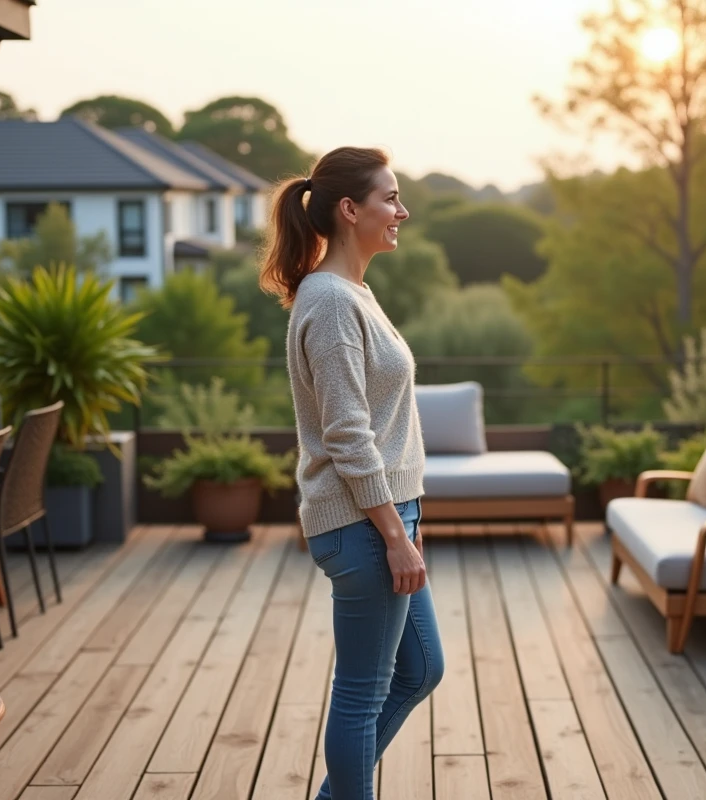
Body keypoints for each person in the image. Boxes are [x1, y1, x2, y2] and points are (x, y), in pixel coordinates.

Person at [261, 146, 444, 800]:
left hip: (387, 516)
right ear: (349, 209)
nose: (403, 210)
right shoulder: (332, 300)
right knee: (363, 692)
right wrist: (394, 534)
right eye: (390, 198)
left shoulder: (352, 292)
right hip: (363, 525)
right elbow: (346, 433)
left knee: (420, 669)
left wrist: (406, 523)